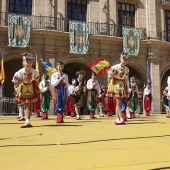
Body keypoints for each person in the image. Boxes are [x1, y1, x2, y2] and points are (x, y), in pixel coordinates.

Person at [12, 52, 40, 128]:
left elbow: (37, 81)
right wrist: (22, 81)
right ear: (23, 62)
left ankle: (28, 120)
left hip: (31, 87)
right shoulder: (19, 73)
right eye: (27, 62)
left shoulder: (35, 72)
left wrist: (37, 89)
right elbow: (15, 83)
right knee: (25, 103)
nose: (29, 64)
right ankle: (27, 120)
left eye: (30, 62)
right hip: (22, 88)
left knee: (29, 103)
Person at [106, 52, 130, 125]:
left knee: (118, 103)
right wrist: (115, 74)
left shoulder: (127, 69)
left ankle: (118, 119)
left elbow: (126, 79)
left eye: (126, 59)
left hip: (122, 84)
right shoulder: (115, 67)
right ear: (120, 59)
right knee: (118, 102)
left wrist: (127, 88)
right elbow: (109, 76)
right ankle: (120, 118)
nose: (124, 60)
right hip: (115, 83)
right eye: (123, 58)